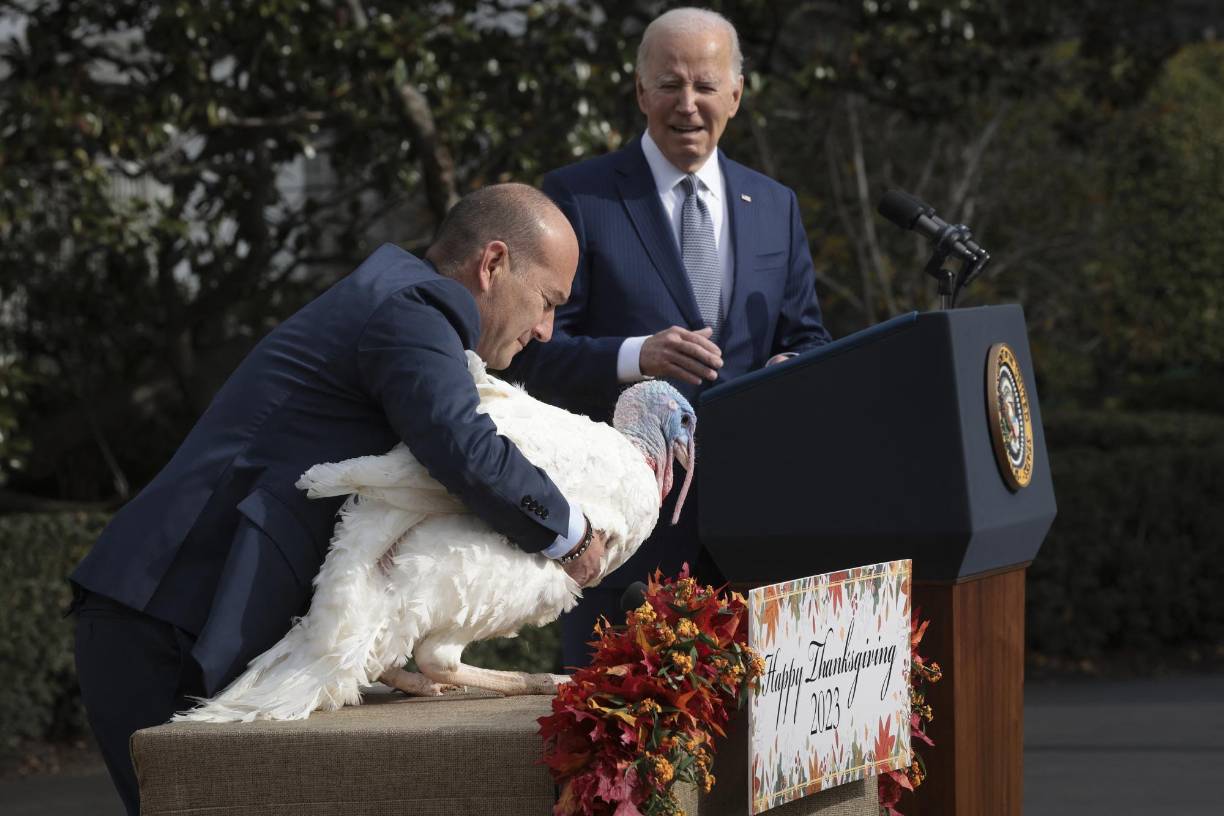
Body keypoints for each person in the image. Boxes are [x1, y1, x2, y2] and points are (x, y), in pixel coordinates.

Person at [69, 183, 606, 815]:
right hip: (165, 614)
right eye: (547, 302)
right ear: (491, 265)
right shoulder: (415, 308)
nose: (546, 330)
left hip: (174, 616)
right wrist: (571, 535)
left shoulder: (400, 297)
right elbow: (460, 445)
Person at [504, 7, 832, 666]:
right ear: (640, 92)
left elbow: (812, 339)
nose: (688, 104)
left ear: (736, 95)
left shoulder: (774, 205)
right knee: (619, 751)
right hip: (628, 535)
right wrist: (635, 357)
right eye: (670, 84)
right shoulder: (580, 197)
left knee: (748, 742)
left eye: (706, 86)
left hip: (757, 523)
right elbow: (534, 354)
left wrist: (794, 366)